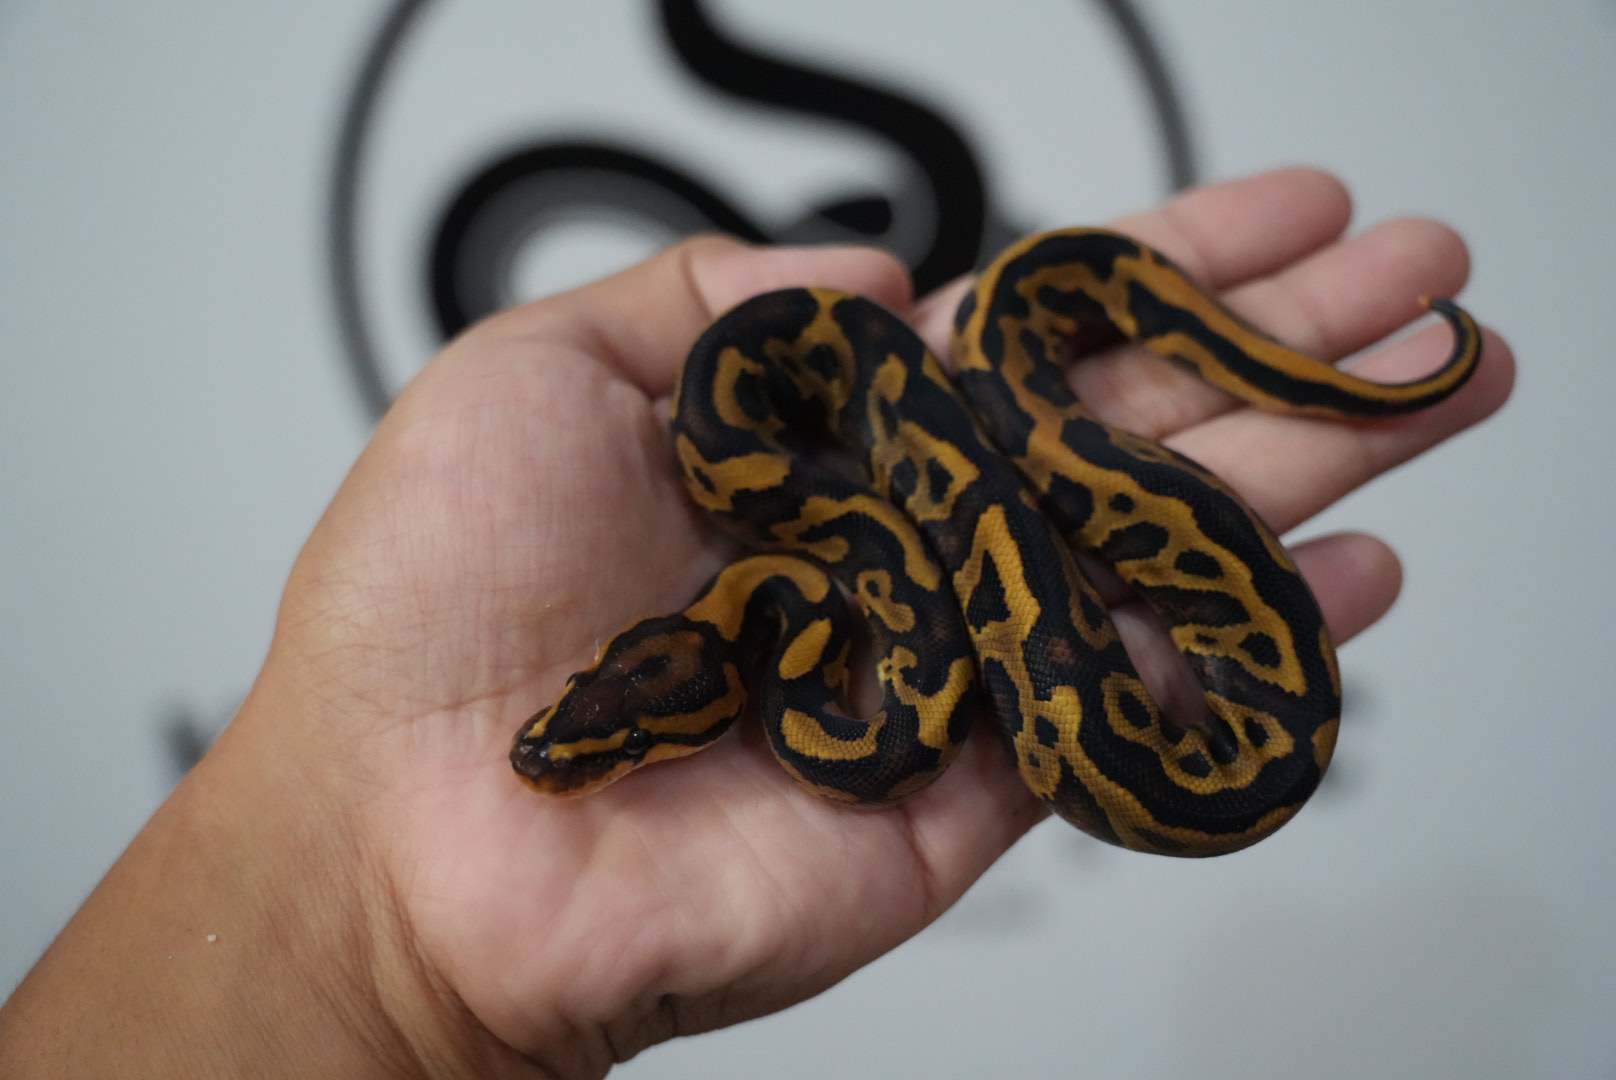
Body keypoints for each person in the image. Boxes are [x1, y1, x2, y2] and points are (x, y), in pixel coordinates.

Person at [0, 168, 1511, 1077]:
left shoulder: (825, 626)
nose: (569, 742)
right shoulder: (827, 625)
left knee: (1012, 398)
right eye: (598, 734)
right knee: (1013, 419)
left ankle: (1071, 345)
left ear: (678, 689)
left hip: (1098, 636)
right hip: (967, 557)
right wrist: (387, 961)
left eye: (601, 739)